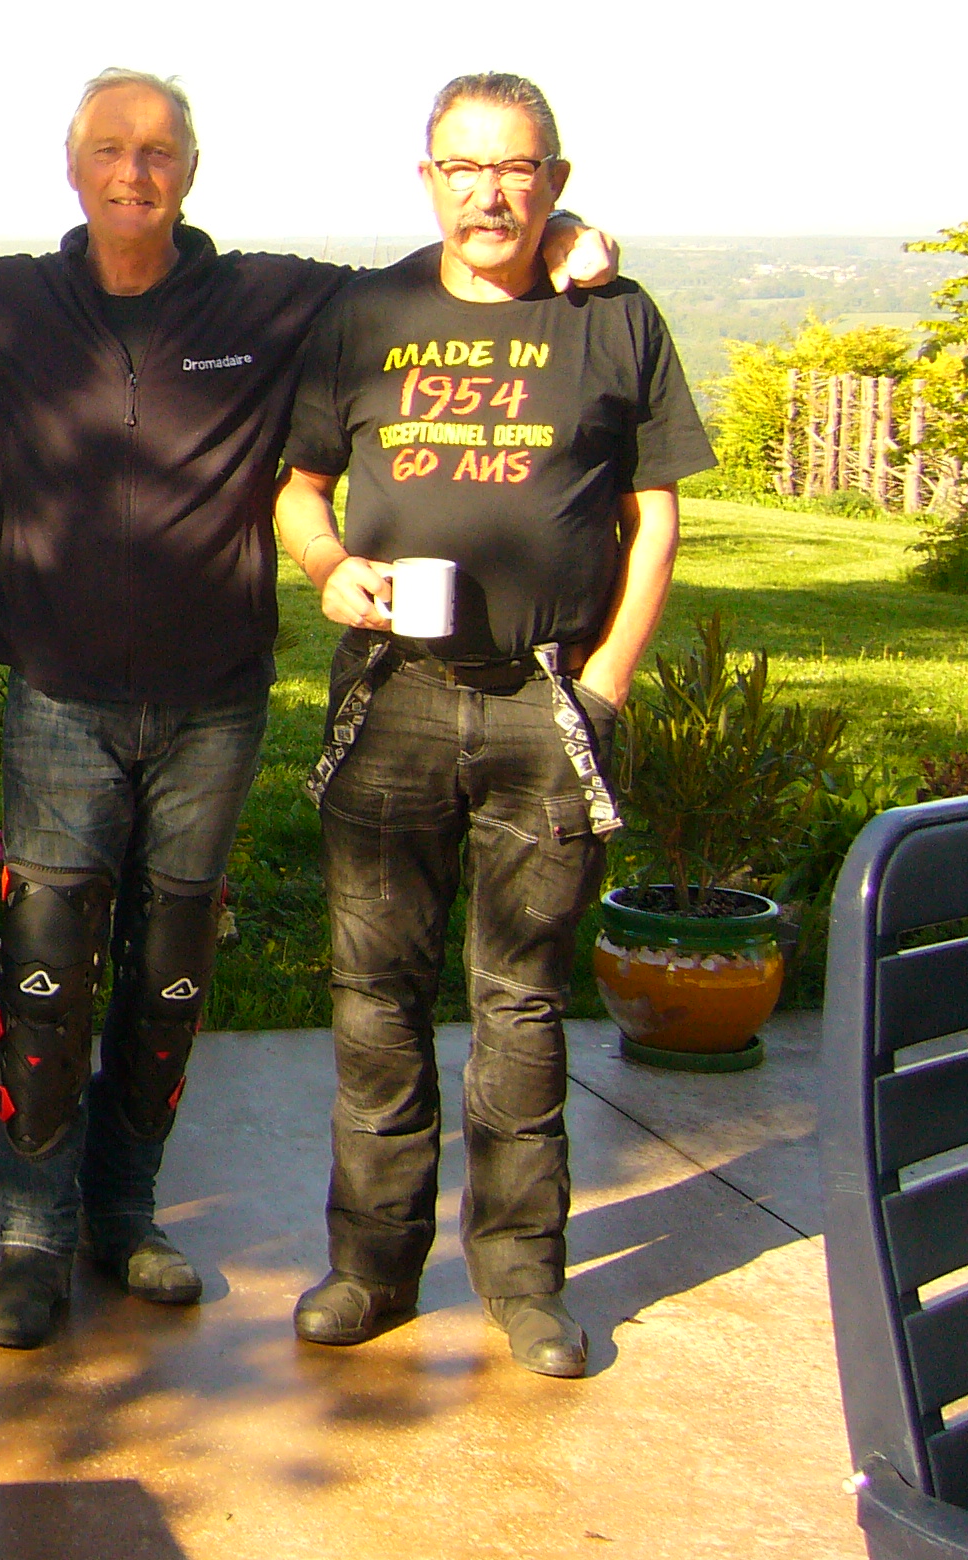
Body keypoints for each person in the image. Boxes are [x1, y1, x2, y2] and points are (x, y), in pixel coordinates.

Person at [0, 67, 616, 1348]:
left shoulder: (261, 297)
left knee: (165, 975)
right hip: (53, 690)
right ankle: (26, 1234)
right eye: (108, 150)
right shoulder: (2, 300)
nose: (133, 171)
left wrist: (548, 233)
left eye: (157, 150)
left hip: (209, 696)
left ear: (189, 168)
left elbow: (427, 284)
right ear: (72, 169)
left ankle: (117, 1212)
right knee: (39, 969)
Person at [274, 72, 709, 1379]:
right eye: (462, 167)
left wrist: (608, 680)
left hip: (545, 698)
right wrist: (326, 568)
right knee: (375, 996)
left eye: (515, 168)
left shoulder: (611, 316)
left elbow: (654, 516)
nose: (489, 193)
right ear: (427, 181)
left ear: (554, 182)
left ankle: (523, 1281)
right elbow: (298, 487)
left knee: (521, 1004)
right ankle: (370, 1267)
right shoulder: (366, 315)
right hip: (392, 698)